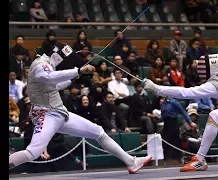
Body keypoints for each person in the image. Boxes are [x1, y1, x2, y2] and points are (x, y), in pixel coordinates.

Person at [9, 44, 151, 174]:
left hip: (60, 114)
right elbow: (50, 77)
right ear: (56, 55)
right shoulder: (40, 65)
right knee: (33, 152)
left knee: (98, 132)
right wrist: (77, 70)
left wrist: (76, 75)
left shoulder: (46, 65)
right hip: (47, 115)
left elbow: (55, 86)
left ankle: (131, 162)